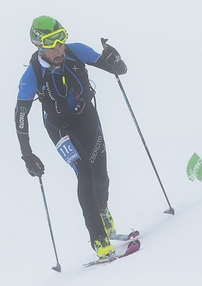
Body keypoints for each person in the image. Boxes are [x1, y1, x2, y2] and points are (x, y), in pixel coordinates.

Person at [14, 15, 127, 259]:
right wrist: (27, 154)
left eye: (61, 40)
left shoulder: (77, 52)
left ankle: (102, 208)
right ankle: (98, 239)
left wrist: (114, 58)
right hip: (60, 129)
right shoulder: (32, 75)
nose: (59, 48)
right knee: (84, 172)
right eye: (51, 43)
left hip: (87, 120)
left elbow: (119, 70)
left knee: (101, 174)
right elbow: (20, 116)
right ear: (38, 45)